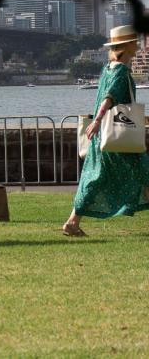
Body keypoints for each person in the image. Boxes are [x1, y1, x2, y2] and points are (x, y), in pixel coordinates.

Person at [63, 25, 149, 237]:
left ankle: (73, 221)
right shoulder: (120, 71)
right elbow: (109, 98)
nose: (138, 45)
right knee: (144, 172)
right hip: (119, 132)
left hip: (106, 134)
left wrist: (97, 123)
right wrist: (98, 120)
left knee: (95, 177)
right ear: (126, 46)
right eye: (134, 42)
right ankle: (72, 222)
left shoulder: (108, 68)